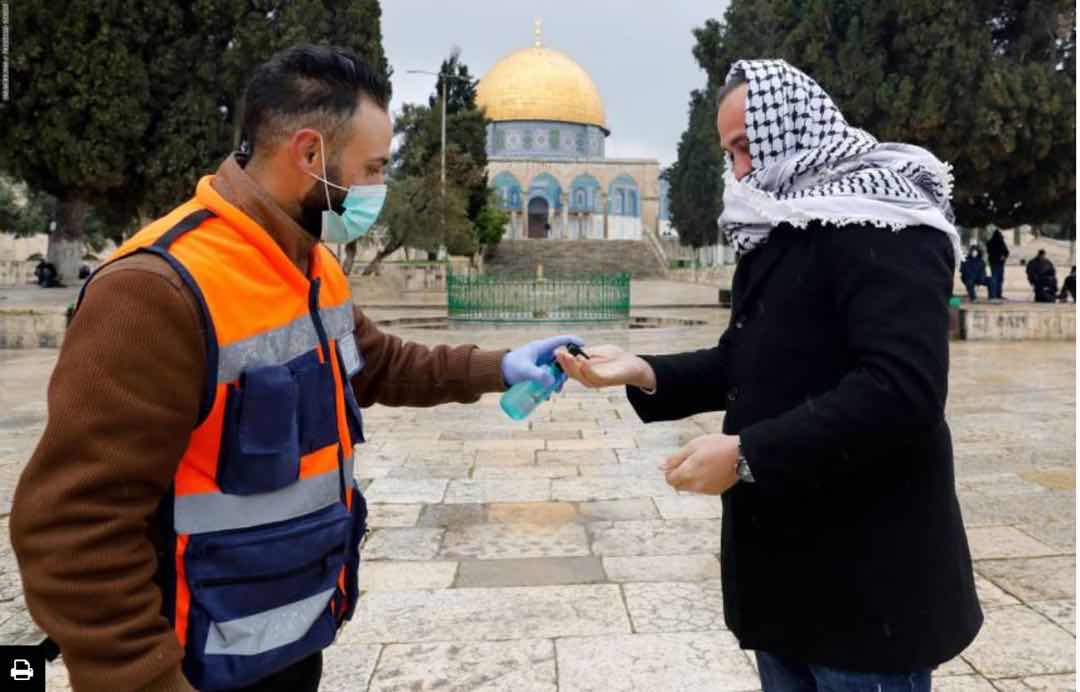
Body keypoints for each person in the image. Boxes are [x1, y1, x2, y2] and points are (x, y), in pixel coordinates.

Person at [10, 45, 580, 692]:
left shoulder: (307, 266)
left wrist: (498, 367)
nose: (379, 188)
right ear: (310, 153)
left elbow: (376, 364)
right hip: (195, 662)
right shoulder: (157, 289)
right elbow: (73, 526)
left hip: (286, 643)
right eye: (372, 168)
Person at [557, 59, 981, 692]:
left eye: (746, 147)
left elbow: (902, 391)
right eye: (730, 154)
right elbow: (743, 359)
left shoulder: (891, 224)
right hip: (783, 577)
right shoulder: (779, 230)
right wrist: (642, 371)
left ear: (795, 126)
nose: (739, 171)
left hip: (867, 585)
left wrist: (746, 454)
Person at [986, 229, 1009, 300]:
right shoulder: (1001, 242)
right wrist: (1003, 257)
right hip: (1000, 262)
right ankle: (998, 294)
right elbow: (1006, 252)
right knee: (999, 279)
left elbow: (988, 251)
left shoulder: (990, 243)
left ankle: (994, 294)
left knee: (994, 279)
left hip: (993, 263)